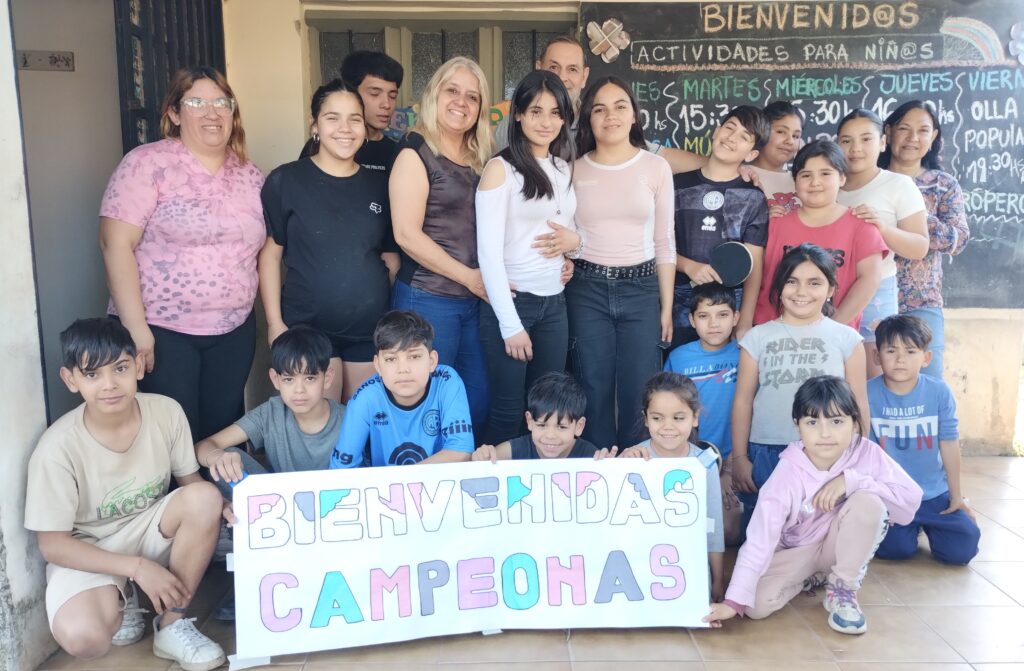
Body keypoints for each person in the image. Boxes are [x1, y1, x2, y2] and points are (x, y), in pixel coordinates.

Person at [25, 318, 228, 670]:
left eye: (120, 367)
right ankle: (124, 592)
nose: (109, 385)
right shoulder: (56, 448)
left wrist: (222, 509)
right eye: (92, 374)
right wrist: (137, 567)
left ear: (138, 365)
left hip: (148, 529)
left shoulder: (165, 411)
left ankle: (172, 626)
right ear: (70, 380)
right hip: (90, 548)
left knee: (206, 497)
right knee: (84, 637)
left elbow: (190, 483)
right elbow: (53, 545)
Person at [99, 66, 265, 442]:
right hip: (162, 329)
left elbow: (267, 249)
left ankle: (216, 500)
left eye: (222, 102)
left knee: (220, 431)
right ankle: (178, 502)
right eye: (196, 102)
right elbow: (115, 244)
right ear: (174, 113)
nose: (212, 112)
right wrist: (137, 330)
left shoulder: (251, 175)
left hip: (233, 328)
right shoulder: (146, 164)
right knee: (170, 433)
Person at [705, 376, 922, 634]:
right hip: (799, 550)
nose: (825, 434)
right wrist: (733, 601)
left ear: (854, 423)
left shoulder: (867, 453)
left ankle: (843, 589)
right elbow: (759, 540)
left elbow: (909, 503)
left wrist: (851, 481)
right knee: (756, 606)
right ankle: (813, 578)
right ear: (797, 426)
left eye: (837, 421)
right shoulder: (787, 473)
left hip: (838, 545)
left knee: (869, 503)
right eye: (812, 422)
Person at [260, 79, 400, 402]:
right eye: (332, 117)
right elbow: (269, 256)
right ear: (315, 125)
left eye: (354, 119)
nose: (345, 128)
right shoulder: (286, 180)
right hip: (305, 326)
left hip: (366, 329)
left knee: (361, 425)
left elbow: (391, 259)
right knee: (318, 429)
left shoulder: (381, 186)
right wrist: (274, 323)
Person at [567, 76, 676, 449]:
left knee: (640, 389)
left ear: (634, 115)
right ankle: (594, 479)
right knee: (592, 387)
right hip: (586, 288)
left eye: (619, 106)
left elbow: (664, 241)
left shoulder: (655, 167)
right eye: (599, 108)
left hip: (642, 288)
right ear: (588, 119)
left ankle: (636, 478)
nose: (609, 115)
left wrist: (666, 306)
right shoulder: (572, 170)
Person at [476, 70, 581, 444]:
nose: (546, 122)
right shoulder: (499, 170)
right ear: (518, 114)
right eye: (536, 111)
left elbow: (566, 232)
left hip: (555, 304)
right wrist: (510, 324)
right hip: (513, 305)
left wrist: (572, 251)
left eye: (555, 113)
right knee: (507, 409)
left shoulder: (563, 169)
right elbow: (487, 253)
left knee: (546, 410)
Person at [390, 57, 492, 430]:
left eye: (472, 96)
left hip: (473, 302)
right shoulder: (414, 152)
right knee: (426, 407)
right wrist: (469, 278)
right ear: (433, 94)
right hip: (427, 299)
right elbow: (406, 234)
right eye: (452, 90)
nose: (461, 102)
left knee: (476, 398)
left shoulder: (482, 159)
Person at [732, 244, 868, 520]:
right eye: (792, 282)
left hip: (827, 452)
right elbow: (743, 401)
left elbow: (859, 403)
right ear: (780, 287)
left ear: (830, 290)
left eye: (814, 283)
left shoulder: (847, 339)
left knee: (817, 531)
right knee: (763, 536)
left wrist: (855, 458)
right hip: (767, 451)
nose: (801, 292)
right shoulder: (757, 338)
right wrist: (739, 458)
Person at [492, 35, 704, 174]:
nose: (562, 78)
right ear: (538, 69)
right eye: (554, 67)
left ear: (584, 77)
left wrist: (722, 166)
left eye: (572, 69)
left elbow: (660, 156)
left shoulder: (597, 121)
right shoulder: (512, 124)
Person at [869, 315, 980, 565]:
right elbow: (865, 452)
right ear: (877, 356)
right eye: (890, 350)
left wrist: (957, 496)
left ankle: (928, 525)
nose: (900, 359)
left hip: (934, 495)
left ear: (926, 357)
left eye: (910, 351)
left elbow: (950, 444)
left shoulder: (939, 392)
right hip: (892, 495)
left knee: (961, 550)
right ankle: (910, 528)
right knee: (895, 550)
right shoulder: (867, 394)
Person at [753, 140, 887, 331]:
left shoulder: (861, 226)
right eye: (806, 175)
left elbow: (869, 279)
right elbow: (756, 277)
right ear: (795, 181)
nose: (815, 182)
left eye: (825, 173)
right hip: (773, 334)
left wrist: (831, 328)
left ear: (842, 178)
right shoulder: (775, 223)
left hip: (833, 338)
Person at [879, 100, 970, 378]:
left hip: (922, 305)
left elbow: (958, 240)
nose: (913, 138)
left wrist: (911, 211)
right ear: (889, 132)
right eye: (904, 129)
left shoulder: (943, 184)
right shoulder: (869, 180)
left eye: (923, 130)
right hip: (872, 299)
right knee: (867, 387)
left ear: (934, 137)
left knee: (928, 386)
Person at [835, 108, 928, 377]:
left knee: (873, 381)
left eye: (866, 139)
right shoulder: (826, 184)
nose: (856, 148)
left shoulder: (898, 185)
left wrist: (882, 227)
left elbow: (919, 247)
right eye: (846, 140)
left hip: (876, 294)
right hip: (829, 293)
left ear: (882, 142)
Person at [195, 326, 344, 490]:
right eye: (289, 379)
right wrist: (218, 457)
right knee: (226, 460)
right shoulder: (270, 413)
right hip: (279, 503)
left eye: (309, 378)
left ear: (327, 378)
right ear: (275, 379)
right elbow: (205, 445)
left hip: (336, 501)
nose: (299, 389)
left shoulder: (350, 419)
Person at [619, 372, 726, 601]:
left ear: (695, 417)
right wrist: (619, 466)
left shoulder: (704, 464)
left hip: (687, 566)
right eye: (657, 418)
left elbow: (713, 526)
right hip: (639, 561)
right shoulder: (633, 457)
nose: (668, 427)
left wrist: (718, 583)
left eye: (678, 418)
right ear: (646, 418)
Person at [672, 105, 770, 343]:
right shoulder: (676, 184)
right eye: (729, 128)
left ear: (751, 155)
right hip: (678, 304)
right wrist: (689, 267)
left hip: (726, 310)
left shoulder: (754, 197)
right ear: (716, 131)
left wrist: (744, 320)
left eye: (744, 137)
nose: (732, 138)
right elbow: (657, 245)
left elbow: (754, 266)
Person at [330, 310, 474, 468]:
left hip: (439, 489)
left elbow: (461, 451)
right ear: (377, 365)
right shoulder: (366, 397)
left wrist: (404, 482)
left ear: (432, 361)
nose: (403, 369)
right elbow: (341, 469)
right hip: (384, 490)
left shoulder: (447, 381)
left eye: (414, 357)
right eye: (391, 359)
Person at [664, 282, 742, 545]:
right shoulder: (679, 357)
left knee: (728, 533)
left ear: (736, 317)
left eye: (722, 315)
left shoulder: (746, 355)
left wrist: (729, 469)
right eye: (704, 316)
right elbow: (667, 412)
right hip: (689, 458)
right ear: (691, 320)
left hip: (731, 459)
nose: (714, 324)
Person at [299, 50, 404, 174]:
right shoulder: (325, 145)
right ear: (352, 93)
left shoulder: (397, 151)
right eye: (375, 94)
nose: (386, 104)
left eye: (392, 96)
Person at [472, 371, 598, 461]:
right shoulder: (514, 450)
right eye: (541, 425)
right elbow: (485, 463)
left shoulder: (590, 455)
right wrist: (482, 458)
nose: (550, 435)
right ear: (529, 421)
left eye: (562, 427)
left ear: (579, 426)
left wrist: (612, 466)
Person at [749, 100, 803, 212]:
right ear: (762, 131)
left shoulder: (802, 181)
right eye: (781, 132)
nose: (790, 141)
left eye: (796, 136)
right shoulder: (743, 175)